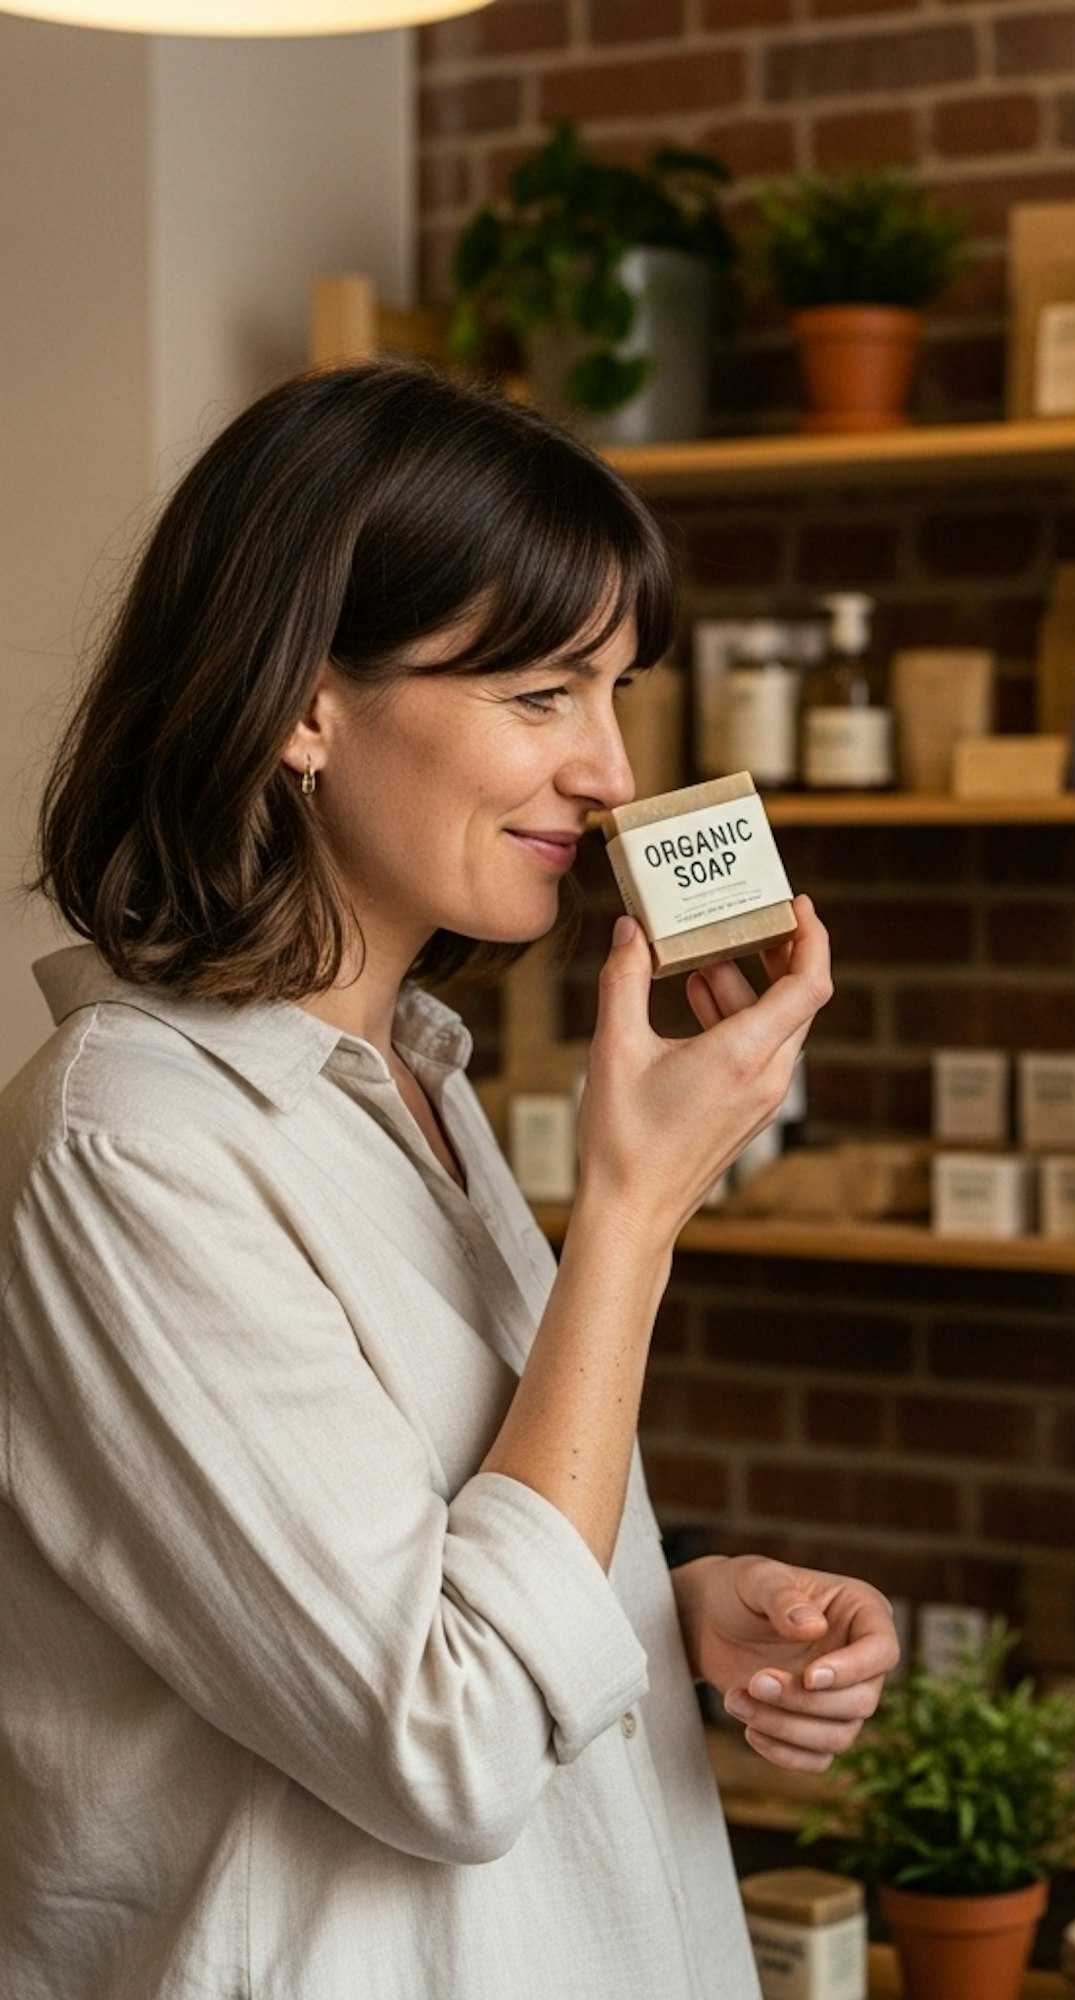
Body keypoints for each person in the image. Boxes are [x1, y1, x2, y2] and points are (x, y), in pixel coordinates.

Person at [0, 360, 896, 2000]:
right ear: (305, 704)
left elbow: (405, 1566)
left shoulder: (409, 1079)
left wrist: (665, 1610)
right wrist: (635, 1214)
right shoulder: (129, 1149)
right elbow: (448, 1736)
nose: (614, 772)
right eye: (543, 695)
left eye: (615, 691)